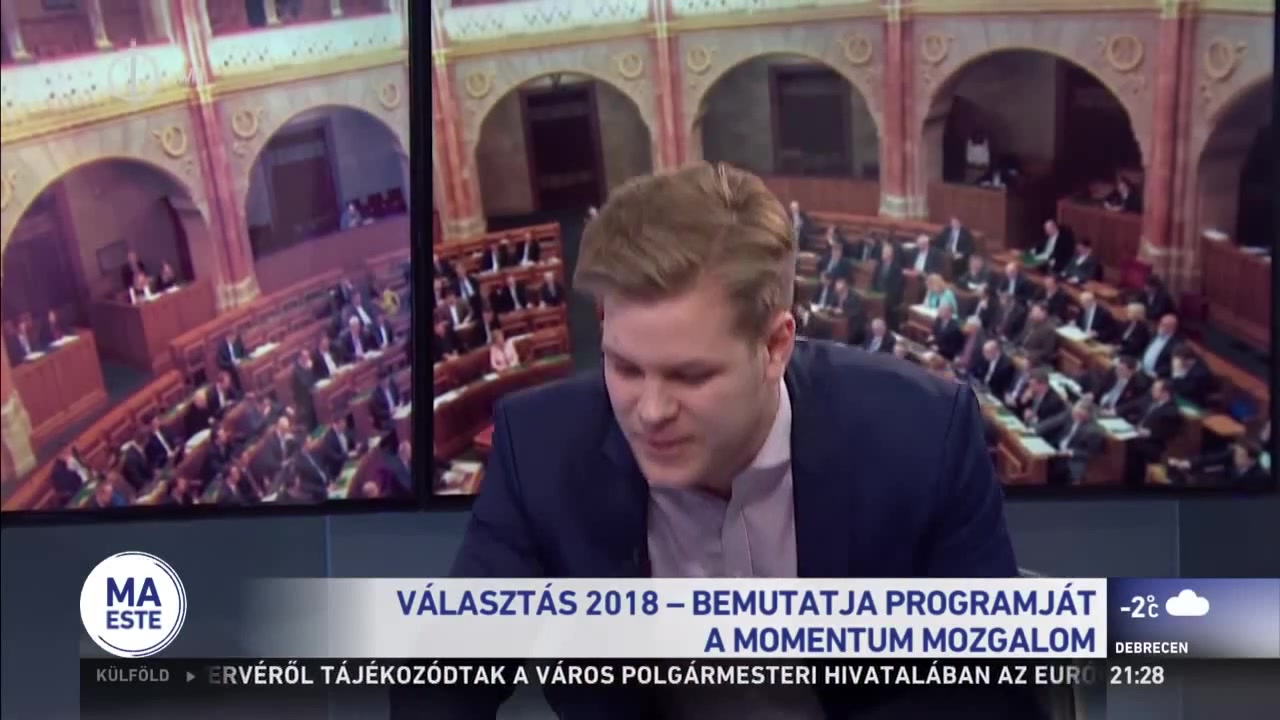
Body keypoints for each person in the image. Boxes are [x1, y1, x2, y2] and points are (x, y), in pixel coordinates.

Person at [425, 163, 1026, 718]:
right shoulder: (539, 448)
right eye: (625, 368)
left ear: (774, 346)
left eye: (691, 376)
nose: (650, 412)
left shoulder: (922, 435)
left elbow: (992, 693)